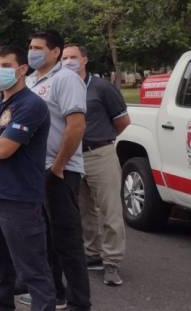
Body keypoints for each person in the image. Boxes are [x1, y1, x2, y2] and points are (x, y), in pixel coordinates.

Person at [0, 45, 57, 311]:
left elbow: (4, 150)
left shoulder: (32, 105)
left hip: (19, 198)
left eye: (5, 66)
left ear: (21, 69)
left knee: (33, 270)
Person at [22, 30, 91, 311]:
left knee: (67, 239)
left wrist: (59, 166)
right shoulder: (29, 81)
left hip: (60, 171)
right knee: (45, 238)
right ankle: (54, 293)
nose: (32, 52)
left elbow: (76, 126)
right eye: (30, 47)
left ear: (55, 52)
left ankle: (79, 302)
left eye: (38, 47)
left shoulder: (66, 79)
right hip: (35, 171)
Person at [62, 44, 129, 287]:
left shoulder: (101, 87)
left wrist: (102, 138)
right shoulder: (63, 87)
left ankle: (112, 261)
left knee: (110, 210)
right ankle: (92, 254)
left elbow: (122, 120)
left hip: (100, 154)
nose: (69, 61)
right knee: (83, 210)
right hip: (73, 156)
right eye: (64, 58)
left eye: (73, 57)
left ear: (85, 60)